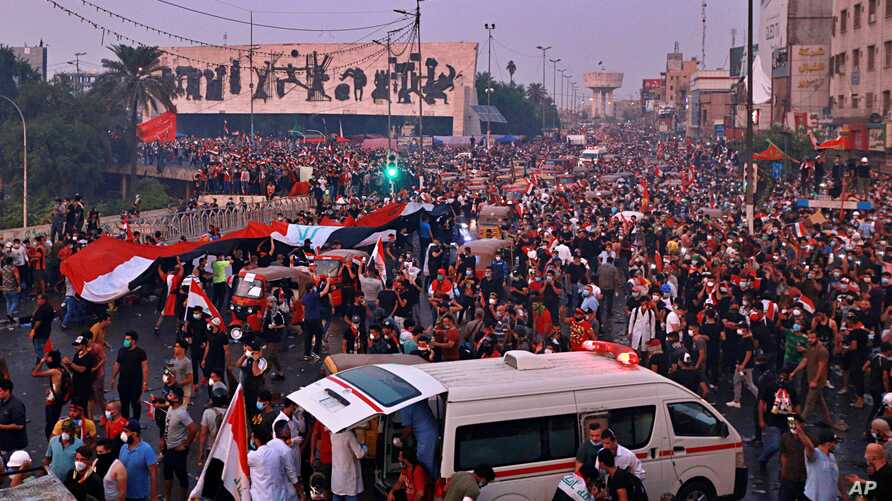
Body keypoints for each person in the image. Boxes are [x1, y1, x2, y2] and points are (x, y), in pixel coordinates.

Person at [792, 331, 846, 431]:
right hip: (811, 379)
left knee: (809, 403)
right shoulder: (809, 347)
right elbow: (805, 360)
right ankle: (828, 421)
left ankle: (799, 425)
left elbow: (822, 368)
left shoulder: (822, 351)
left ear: (817, 338)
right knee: (820, 402)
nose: (810, 340)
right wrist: (794, 372)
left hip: (817, 381)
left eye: (812, 338)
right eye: (809, 338)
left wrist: (815, 381)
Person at [160, 386, 195, 501]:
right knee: (167, 474)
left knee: (181, 476)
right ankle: (167, 497)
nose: (168, 396)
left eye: (171, 395)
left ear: (177, 399)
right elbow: (168, 425)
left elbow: (193, 429)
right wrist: (163, 440)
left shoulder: (181, 413)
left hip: (178, 452)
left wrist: (186, 444)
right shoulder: (171, 407)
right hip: (168, 448)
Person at [32, 350, 70, 439]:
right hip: (59, 399)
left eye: (48, 357)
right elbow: (58, 384)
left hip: (53, 401)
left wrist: (41, 361)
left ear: (52, 359)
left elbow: (34, 373)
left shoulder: (54, 371)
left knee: (50, 426)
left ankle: (52, 442)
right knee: (54, 421)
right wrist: (52, 389)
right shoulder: (61, 369)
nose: (46, 359)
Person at [796, 426, 841, 501]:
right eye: (835, 442)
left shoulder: (832, 457)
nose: (836, 445)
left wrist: (843, 494)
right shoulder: (815, 454)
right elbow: (809, 446)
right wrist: (801, 433)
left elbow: (836, 477)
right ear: (828, 443)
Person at [111, 331, 149, 420]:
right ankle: (125, 422)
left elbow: (145, 368)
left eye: (128, 339)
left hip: (135, 384)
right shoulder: (121, 351)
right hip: (123, 383)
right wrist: (113, 378)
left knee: (136, 404)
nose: (125, 341)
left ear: (133, 341)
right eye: (125, 339)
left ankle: (135, 423)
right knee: (124, 405)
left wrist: (145, 383)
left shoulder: (140, 352)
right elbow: (117, 364)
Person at [118, 419, 158, 501]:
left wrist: (154, 497)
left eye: (126, 431)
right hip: (124, 495)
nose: (123, 434)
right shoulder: (123, 448)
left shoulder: (147, 450)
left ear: (134, 434)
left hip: (140, 496)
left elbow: (153, 474)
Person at [398, 400, 438, 479]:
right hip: (433, 430)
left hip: (426, 437)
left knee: (425, 464)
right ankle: (436, 480)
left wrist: (400, 439)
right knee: (433, 461)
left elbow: (408, 429)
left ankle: (428, 483)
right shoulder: (416, 399)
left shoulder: (404, 407)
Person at [270, 420, 303, 500]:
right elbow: (291, 474)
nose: (290, 431)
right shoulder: (286, 450)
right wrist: (300, 492)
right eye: (287, 428)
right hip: (285, 489)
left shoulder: (269, 444)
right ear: (280, 430)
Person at [330, 428, 366, 501]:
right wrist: (364, 447)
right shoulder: (349, 435)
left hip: (337, 476)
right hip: (349, 476)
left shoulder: (332, 435)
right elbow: (360, 454)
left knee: (337, 495)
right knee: (350, 496)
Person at [198, 383, 228, 468]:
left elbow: (203, 434)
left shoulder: (207, 413)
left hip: (212, 449)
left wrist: (201, 452)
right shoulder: (231, 412)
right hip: (227, 449)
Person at [777, 416, 807, 501]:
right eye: (791, 424)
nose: (793, 427)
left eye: (796, 424)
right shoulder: (785, 437)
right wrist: (783, 471)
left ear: (802, 425)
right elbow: (783, 455)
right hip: (788, 478)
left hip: (804, 479)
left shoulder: (809, 439)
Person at [66, 333, 97, 411]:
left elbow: (82, 370)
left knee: (83, 407)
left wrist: (70, 363)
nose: (75, 347)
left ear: (83, 346)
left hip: (84, 386)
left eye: (77, 345)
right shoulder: (77, 354)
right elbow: (73, 370)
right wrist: (67, 365)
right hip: (76, 385)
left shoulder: (89, 356)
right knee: (75, 406)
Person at [29, 293, 55, 362]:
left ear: (44, 300)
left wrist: (33, 330)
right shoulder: (48, 307)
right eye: (37, 299)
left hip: (40, 333)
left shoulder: (43, 309)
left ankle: (43, 361)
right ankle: (47, 359)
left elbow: (38, 321)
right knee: (43, 347)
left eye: (39, 299)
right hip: (46, 331)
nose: (37, 300)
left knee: (39, 349)